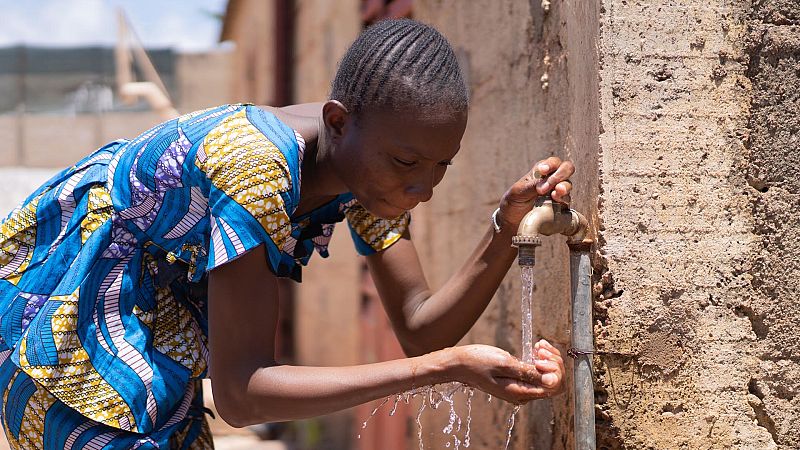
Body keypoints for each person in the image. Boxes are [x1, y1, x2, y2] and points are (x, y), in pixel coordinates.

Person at [0, 19, 573, 449]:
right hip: (68, 336)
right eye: (407, 163)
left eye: (440, 167)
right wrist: (446, 370)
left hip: (157, 341)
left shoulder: (366, 172)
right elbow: (242, 395)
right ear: (338, 122)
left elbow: (422, 329)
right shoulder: (254, 166)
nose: (424, 188)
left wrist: (505, 228)